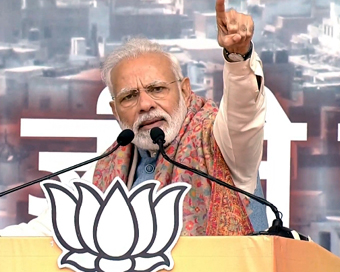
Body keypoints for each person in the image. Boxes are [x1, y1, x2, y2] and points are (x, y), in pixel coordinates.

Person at [0, 0, 267, 236]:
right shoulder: (106, 168)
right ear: (116, 112)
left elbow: (243, 117)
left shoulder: (221, 143)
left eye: (157, 89)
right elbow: (44, 232)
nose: (145, 105)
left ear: (185, 90)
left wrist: (238, 57)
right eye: (129, 97)